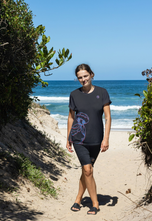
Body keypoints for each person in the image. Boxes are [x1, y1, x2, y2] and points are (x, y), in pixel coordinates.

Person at [66, 63, 111, 215]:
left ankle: (78, 199)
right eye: (80, 77)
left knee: (87, 172)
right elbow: (71, 117)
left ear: (91, 74)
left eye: (85, 76)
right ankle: (95, 203)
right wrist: (68, 138)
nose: (83, 79)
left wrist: (106, 139)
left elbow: (108, 117)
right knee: (87, 169)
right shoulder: (74, 94)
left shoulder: (102, 92)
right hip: (79, 138)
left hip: (96, 139)